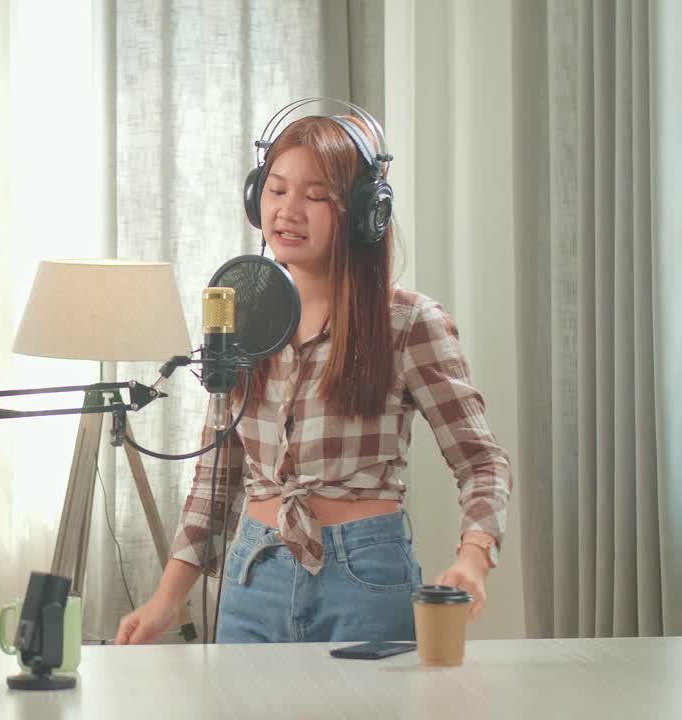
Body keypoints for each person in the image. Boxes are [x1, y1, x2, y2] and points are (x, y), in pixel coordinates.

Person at [117, 100, 512, 645]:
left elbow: (482, 462)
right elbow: (216, 478)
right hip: (252, 575)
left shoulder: (410, 323)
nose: (288, 211)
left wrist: (474, 558)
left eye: (315, 195)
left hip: (366, 576)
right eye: (276, 191)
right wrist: (168, 598)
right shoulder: (241, 318)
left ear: (363, 209)